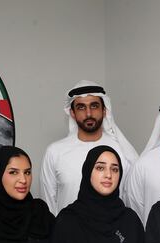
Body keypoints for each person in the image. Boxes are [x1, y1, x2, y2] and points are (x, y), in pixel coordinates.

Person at [40, 80, 139, 214]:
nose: (88, 114)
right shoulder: (55, 152)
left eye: (94, 106)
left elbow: (130, 200)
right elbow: (48, 205)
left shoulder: (121, 151)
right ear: (72, 113)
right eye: (81, 107)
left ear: (104, 110)